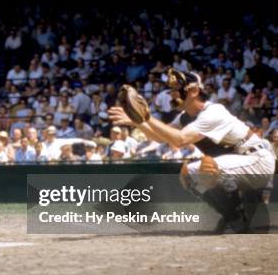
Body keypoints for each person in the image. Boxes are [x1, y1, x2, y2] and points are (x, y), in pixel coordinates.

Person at [109, 68, 275, 232]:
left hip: (256, 161)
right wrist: (137, 122)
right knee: (193, 173)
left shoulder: (213, 111)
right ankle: (234, 215)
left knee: (196, 169)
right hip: (239, 164)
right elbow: (162, 136)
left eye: (176, 88)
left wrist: (146, 117)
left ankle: (236, 217)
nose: (171, 93)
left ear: (194, 90)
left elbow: (180, 139)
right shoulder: (185, 117)